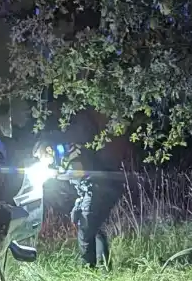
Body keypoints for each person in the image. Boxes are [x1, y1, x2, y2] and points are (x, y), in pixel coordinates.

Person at [33, 113, 128, 269]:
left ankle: (88, 267)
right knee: (88, 224)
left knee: (85, 228)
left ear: (48, 150)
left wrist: (57, 175)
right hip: (95, 190)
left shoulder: (70, 153)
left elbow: (79, 173)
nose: (42, 161)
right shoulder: (62, 155)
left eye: (41, 157)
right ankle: (104, 266)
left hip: (98, 190)